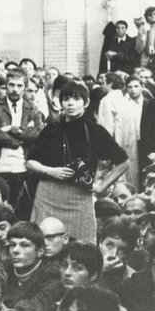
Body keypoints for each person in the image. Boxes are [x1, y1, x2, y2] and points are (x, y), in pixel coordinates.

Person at [27, 80, 129, 244]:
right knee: (43, 244)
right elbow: (31, 162)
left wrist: (102, 186)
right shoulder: (51, 128)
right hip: (47, 196)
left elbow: (123, 162)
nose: (70, 103)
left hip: (80, 198)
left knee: (83, 246)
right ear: (60, 103)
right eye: (66, 99)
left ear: (86, 103)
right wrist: (50, 171)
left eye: (76, 99)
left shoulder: (95, 131)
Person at [0, 66, 42, 212]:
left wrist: (12, 129)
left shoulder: (32, 109)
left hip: (23, 168)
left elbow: (38, 134)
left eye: (19, 86)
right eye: (11, 85)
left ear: (25, 88)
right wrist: (18, 141)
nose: (15, 89)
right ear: (6, 85)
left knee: (22, 212)